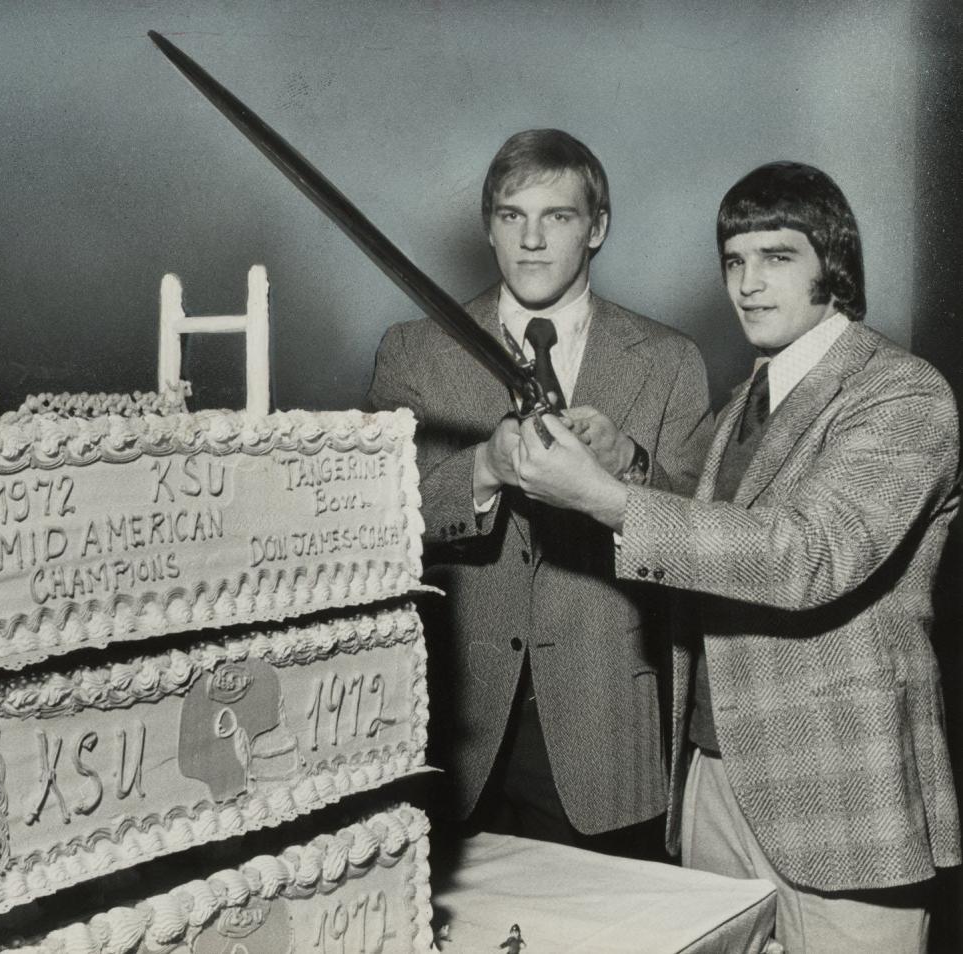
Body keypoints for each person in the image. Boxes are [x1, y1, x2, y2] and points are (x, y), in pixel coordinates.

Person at [514, 161, 960, 953]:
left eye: (778, 257)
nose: (748, 284)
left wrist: (603, 499)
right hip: (716, 776)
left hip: (841, 800)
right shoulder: (750, 396)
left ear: (835, 264)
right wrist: (629, 467)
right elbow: (723, 533)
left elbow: (808, 555)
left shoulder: (902, 393)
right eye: (734, 261)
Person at [366, 129, 713, 853]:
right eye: (510, 215)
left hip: (607, 735)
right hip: (453, 731)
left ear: (598, 230)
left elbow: (705, 540)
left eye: (557, 216)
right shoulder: (413, 350)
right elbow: (372, 525)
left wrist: (634, 463)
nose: (530, 240)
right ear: (487, 228)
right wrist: (483, 470)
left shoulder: (672, 361)